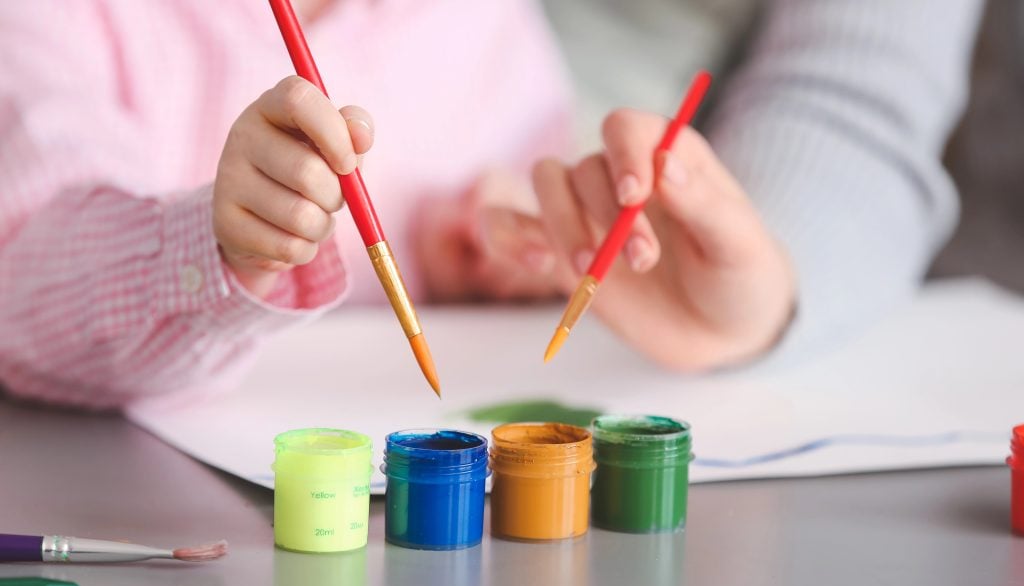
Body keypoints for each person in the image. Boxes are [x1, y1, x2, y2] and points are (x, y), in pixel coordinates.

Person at [0, 1, 983, 408]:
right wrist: (212, 243)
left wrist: (495, 244)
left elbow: (513, 186)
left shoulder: (477, 22)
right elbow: (22, 272)